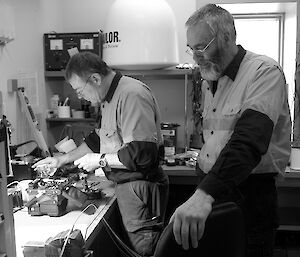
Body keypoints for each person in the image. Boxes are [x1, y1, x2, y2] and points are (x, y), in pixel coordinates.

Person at [170, 4, 291, 257]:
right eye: (192, 49)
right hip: (213, 189)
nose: (195, 57)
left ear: (227, 37)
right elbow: (215, 140)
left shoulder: (264, 72)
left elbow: (248, 140)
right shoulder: (210, 79)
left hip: (249, 196)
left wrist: (204, 194)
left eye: (202, 47)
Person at [33, 51, 169, 256]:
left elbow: (143, 155)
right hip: (126, 187)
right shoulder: (108, 99)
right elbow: (98, 141)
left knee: (144, 251)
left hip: (140, 189)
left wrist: (99, 161)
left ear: (95, 79)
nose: (80, 96)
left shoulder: (131, 95)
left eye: (79, 90)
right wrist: (62, 160)